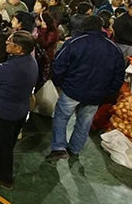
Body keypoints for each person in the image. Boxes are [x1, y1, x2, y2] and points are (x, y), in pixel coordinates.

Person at [46, 16, 125, 161]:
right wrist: (107, 92)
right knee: (84, 123)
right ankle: (75, 149)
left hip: (72, 90)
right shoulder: (114, 49)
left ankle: (58, 148)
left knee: (61, 117)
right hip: (95, 94)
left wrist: (60, 83)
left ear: (83, 27)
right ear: (101, 27)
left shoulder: (74, 43)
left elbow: (58, 65)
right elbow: (119, 75)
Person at [0, 31, 38, 189]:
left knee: (3, 145)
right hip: (20, 109)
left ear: (19, 49)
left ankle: (3, 176)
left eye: (10, 42)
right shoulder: (30, 61)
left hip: (5, 111)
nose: (6, 42)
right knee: (9, 139)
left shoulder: (12, 67)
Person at [35, 11, 59, 92]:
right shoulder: (38, 29)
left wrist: (44, 29)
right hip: (38, 57)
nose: (36, 21)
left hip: (46, 58)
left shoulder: (52, 32)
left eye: (38, 20)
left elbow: (44, 43)